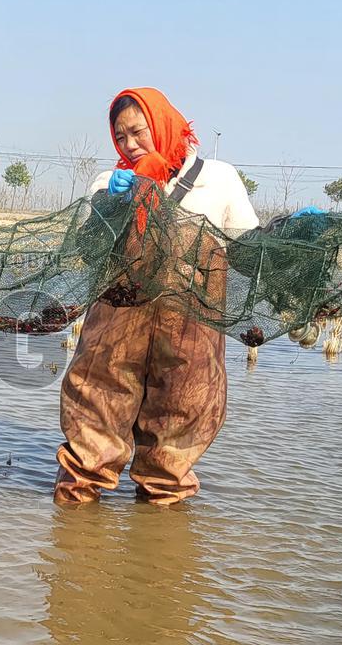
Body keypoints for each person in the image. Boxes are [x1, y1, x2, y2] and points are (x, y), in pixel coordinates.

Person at [54, 87, 260, 505]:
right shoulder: (108, 183)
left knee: (169, 461)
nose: (130, 145)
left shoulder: (218, 179)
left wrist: (292, 232)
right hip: (113, 337)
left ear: (162, 123)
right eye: (120, 137)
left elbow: (250, 250)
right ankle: (74, 553)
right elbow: (84, 249)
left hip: (189, 341)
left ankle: (161, 550)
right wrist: (108, 205)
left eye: (137, 132)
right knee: (87, 453)